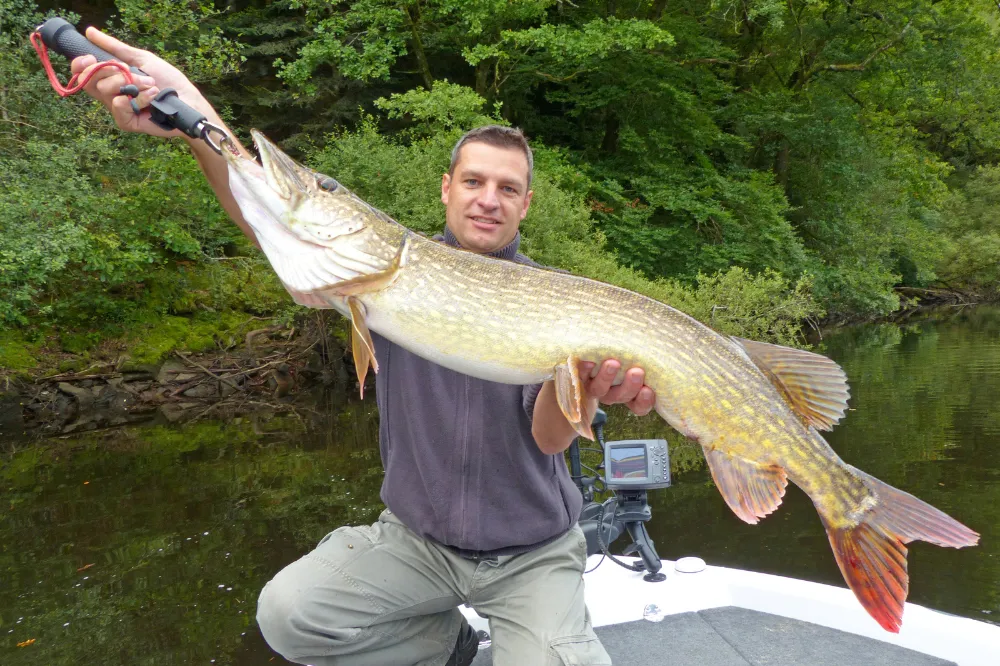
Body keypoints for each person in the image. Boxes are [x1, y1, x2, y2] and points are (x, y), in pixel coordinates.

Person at [72, 28, 657, 666]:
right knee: (291, 615)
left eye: (507, 189)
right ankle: (445, 644)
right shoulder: (376, 281)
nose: (488, 199)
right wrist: (183, 107)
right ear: (446, 188)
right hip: (417, 543)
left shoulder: (551, 297)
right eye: (473, 182)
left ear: (526, 205)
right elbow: (257, 202)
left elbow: (548, 440)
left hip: (533, 554)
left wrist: (587, 388)